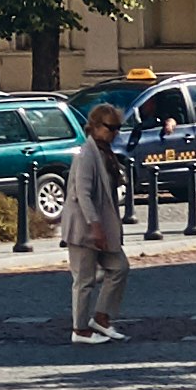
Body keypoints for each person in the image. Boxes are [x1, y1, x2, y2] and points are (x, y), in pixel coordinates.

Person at [68, 99, 134, 346]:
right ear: (95, 126)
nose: (115, 133)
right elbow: (82, 193)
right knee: (84, 280)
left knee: (119, 268)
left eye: (118, 128)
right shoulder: (87, 154)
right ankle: (80, 329)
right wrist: (95, 225)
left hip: (102, 227)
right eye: (110, 127)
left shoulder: (105, 152)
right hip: (84, 228)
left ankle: (101, 318)